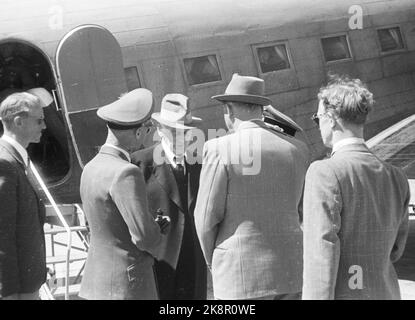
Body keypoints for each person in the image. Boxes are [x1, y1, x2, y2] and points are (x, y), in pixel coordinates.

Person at [194, 74, 310, 300]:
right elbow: (303, 210)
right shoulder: (297, 148)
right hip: (291, 271)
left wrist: (213, 259)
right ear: (261, 108)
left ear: (229, 110)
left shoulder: (218, 148)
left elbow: (206, 217)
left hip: (239, 276)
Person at [302, 75, 410, 300]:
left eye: (317, 118)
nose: (318, 125)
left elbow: (320, 253)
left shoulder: (323, 172)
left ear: (331, 118)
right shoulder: (396, 177)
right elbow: (396, 250)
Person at [79, 88, 171, 300]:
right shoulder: (126, 172)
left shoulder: (91, 168)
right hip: (127, 285)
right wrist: (156, 229)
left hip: (96, 283)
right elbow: (143, 238)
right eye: (146, 131)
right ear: (138, 132)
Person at [132, 93, 207, 300]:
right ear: (159, 129)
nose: (181, 137)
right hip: (159, 262)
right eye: (174, 131)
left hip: (194, 262)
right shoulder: (140, 163)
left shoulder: (200, 162)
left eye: (185, 132)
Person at [0, 92, 47, 300]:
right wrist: (8, 293)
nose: (44, 126)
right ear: (19, 122)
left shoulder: (14, 159)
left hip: (27, 283)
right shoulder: (5, 163)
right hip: (18, 291)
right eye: (39, 120)